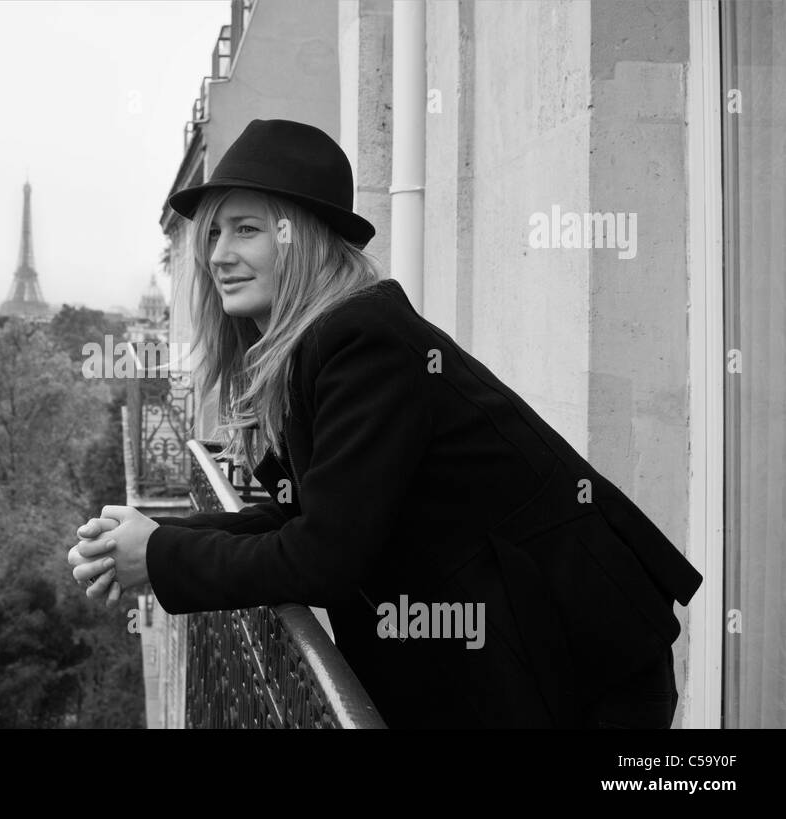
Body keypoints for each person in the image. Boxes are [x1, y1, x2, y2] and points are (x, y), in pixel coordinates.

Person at [66, 118, 701, 728]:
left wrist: (160, 557)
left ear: (303, 238)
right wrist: (157, 537)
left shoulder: (362, 338)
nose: (218, 256)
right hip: (519, 661)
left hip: (581, 676)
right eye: (212, 235)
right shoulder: (323, 345)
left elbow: (323, 558)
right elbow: (308, 518)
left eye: (246, 230)